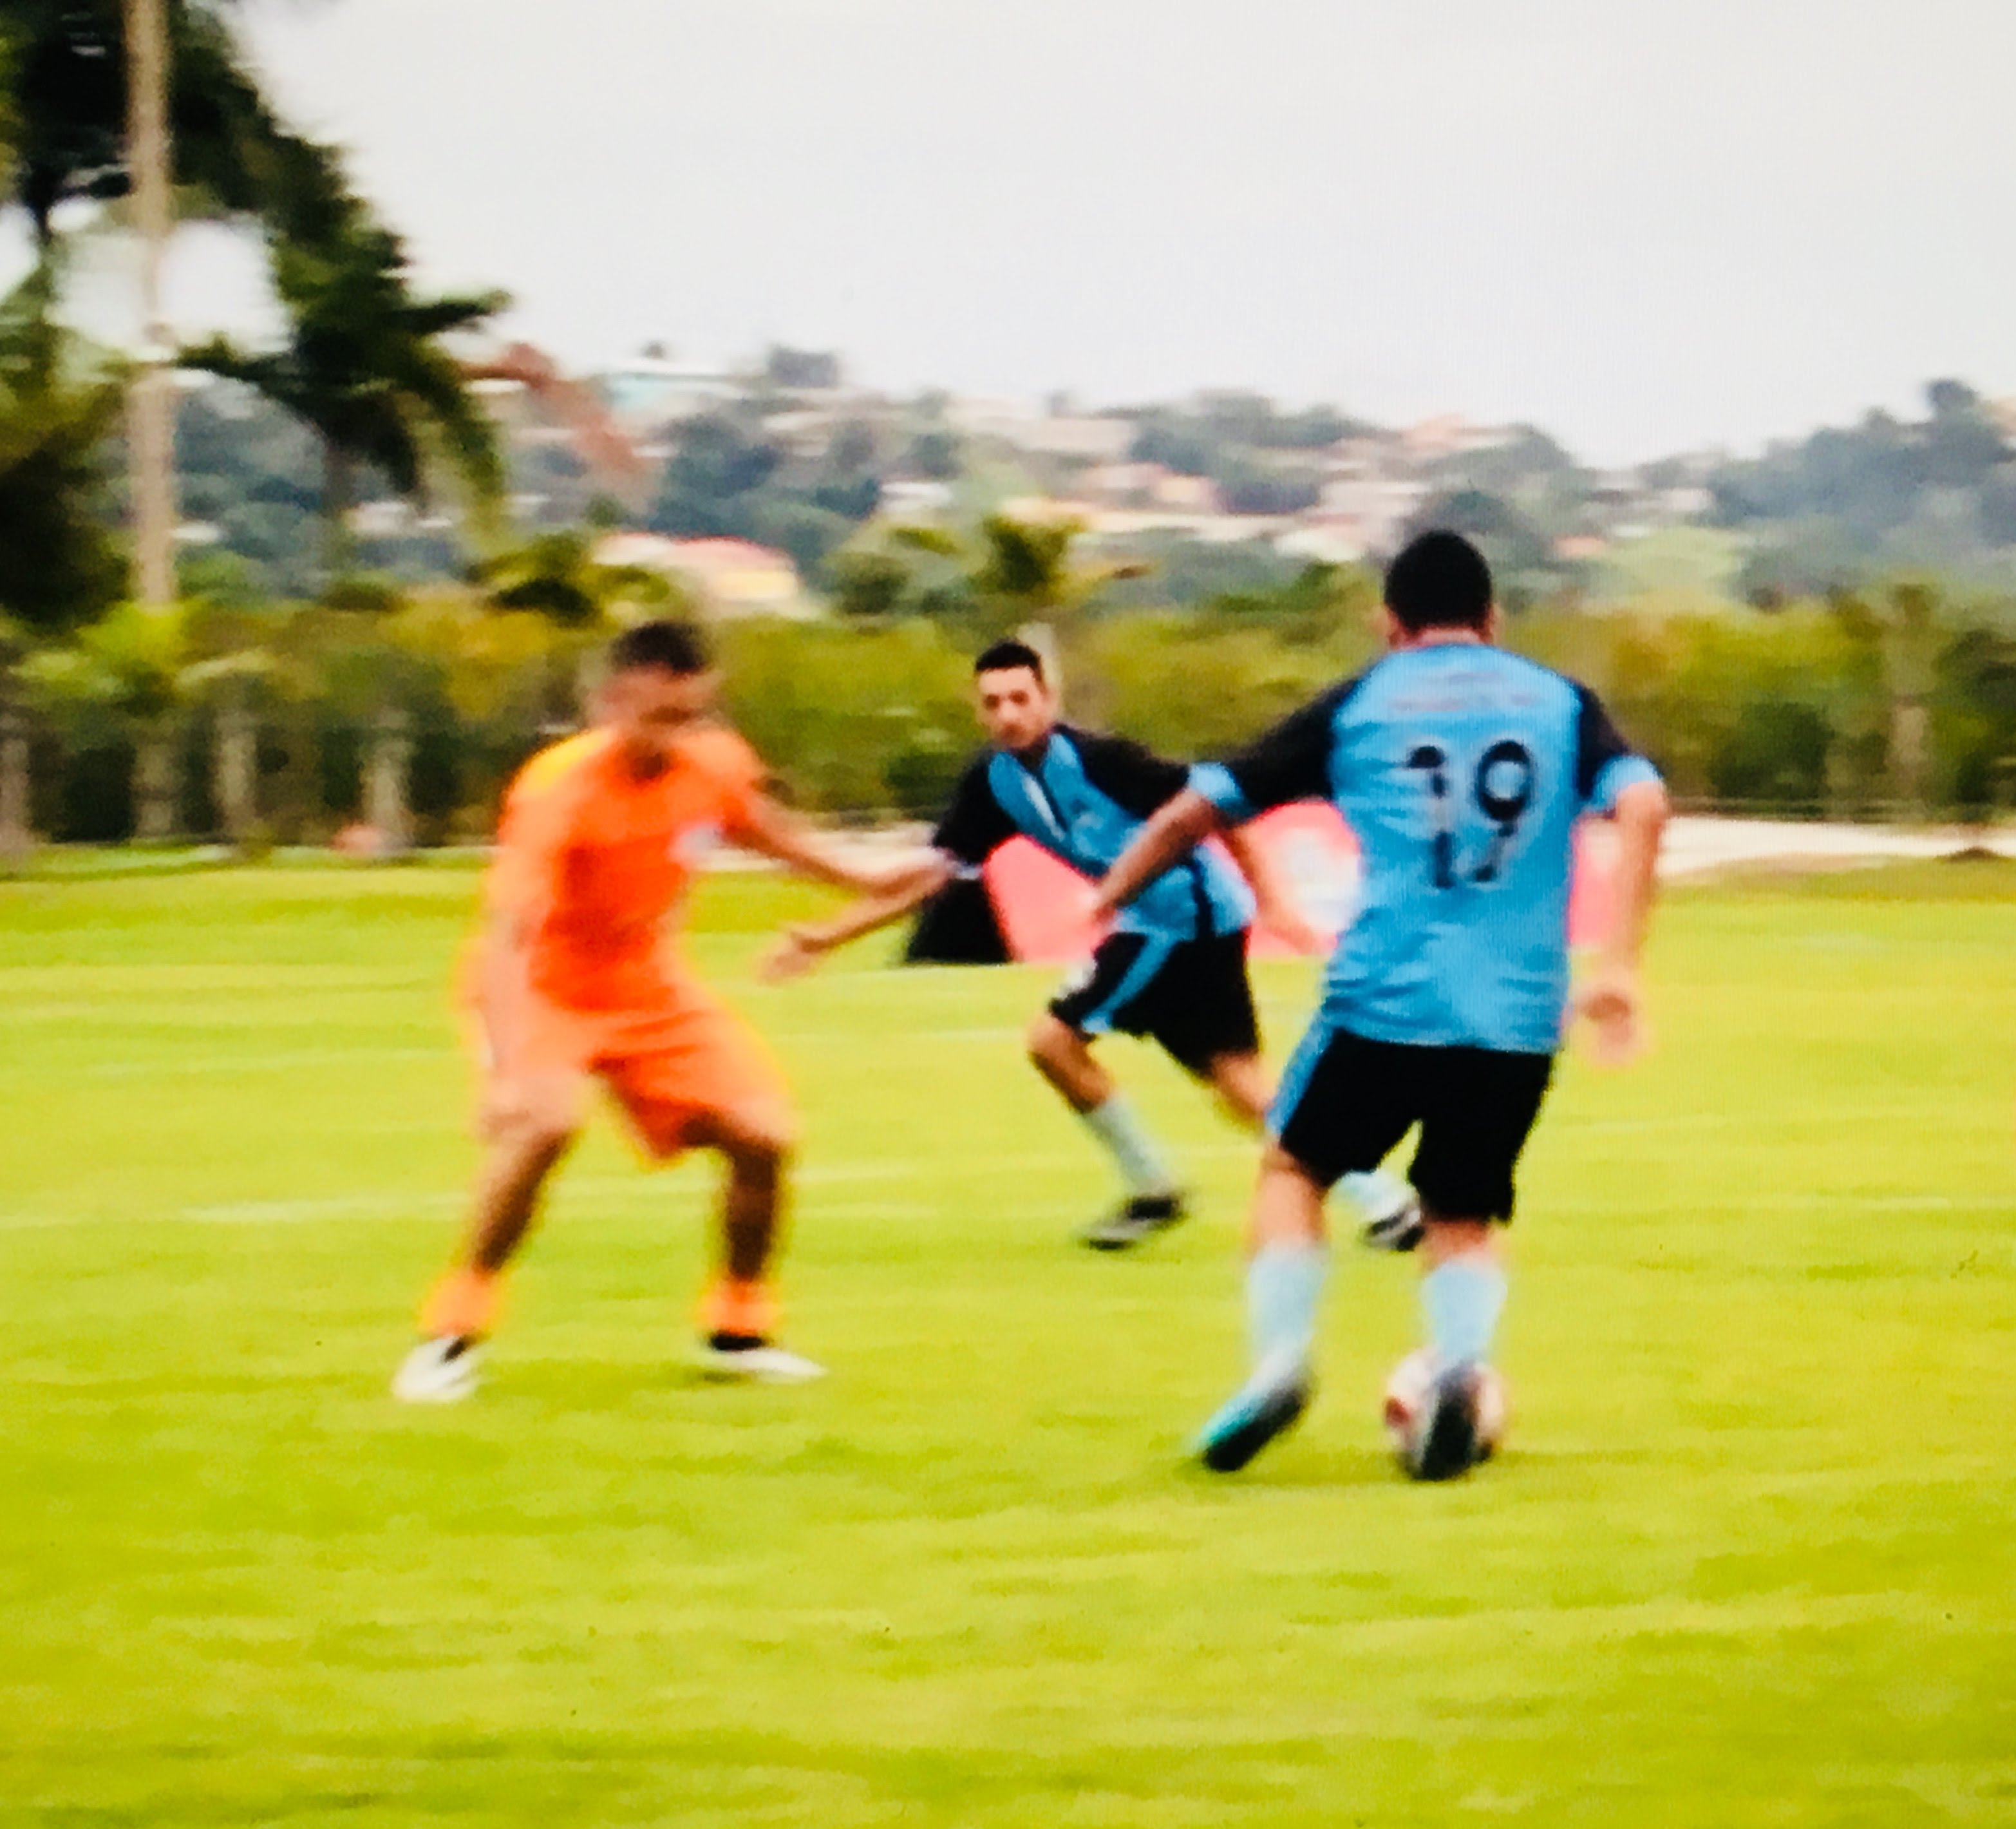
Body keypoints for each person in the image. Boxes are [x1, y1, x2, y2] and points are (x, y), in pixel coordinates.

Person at [1091, 531, 1671, 1481]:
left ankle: (1280, 1364)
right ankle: (1457, 1372)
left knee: (1292, 1164)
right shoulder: (1561, 703)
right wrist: (1620, 963)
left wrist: (1115, 887)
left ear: (1389, 623)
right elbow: (1644, 806)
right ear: (1493, 619)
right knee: (1463, 1213)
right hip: (1518, 1015)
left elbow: (1204, 806)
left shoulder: (1361, 700)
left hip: (1385, 1000)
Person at [393, 620, 933, 1403]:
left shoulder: (711, 764)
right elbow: (509, 934)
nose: (678, 736)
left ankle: (738, 1331)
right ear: (609, 703)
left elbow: (763, 830)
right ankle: (449, 1336)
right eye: (659, 718)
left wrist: (860, 876)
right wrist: (504, 1071)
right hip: (546, 986)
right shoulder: (557, 791)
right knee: (543, 1126)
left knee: (765, 1137)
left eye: (692, 717)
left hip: (647, 986)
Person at [766, 639, 1422, 1251]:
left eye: (1021, 699)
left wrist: (1274, 898)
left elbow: (1219, 803)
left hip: (1182, 921)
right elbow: (933, 878)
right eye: (993, 703)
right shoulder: (991, 785)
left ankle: (1154, 1187)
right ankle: (1388, 1205)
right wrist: (828, 935)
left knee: (1054, 1041)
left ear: (1049, 699)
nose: (1008, 715)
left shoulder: (1105, 759)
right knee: (1238, 1085)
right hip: (1172, 923)